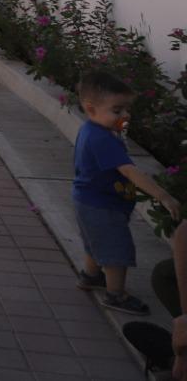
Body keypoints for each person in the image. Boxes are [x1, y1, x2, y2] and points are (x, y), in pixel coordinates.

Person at [72, 69, 181, 316]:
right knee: (116, 251)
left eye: (126, 109)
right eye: (117, 111)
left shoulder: (94, 129)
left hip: (89, 200)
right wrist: (163, 195)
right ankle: (116, 295)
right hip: (102, 205)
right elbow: (130, 172)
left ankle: (90, 276)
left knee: (95, 242)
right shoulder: (102, 139)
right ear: (91, 109)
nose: (125, 115)